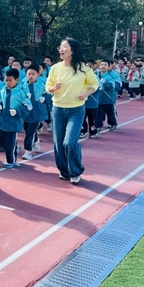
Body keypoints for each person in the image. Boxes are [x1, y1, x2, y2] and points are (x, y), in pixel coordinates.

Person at [45, 37, 99, 184]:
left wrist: (86, 94)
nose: (61, 50)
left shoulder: (84, 68)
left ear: (72, 50)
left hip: (76, 110)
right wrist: (53, 88)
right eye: (60, 47)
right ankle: (64, 171)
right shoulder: (55, 68)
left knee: (69, 142)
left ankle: (75, 171)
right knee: (58, 144)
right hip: (58, 109)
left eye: (65, 47)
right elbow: (47, 87)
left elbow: (94, 84)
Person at [0, 68, 32, 168]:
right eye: (6, 80)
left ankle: (11, 161)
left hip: (14, 122)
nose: (8, 83)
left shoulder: (20, 92)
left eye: (10, 80)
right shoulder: (2, 90)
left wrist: (17, 111)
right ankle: (15, 147)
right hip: (2, 120)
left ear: (17, 80)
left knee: (10, 143)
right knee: (1, 140)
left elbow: (28, 106)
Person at [23, 64, 49, 158]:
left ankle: (27, 151)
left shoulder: (41, 85)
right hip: (26, 112)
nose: (31, 76)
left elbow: (49, 94)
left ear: (38, 74)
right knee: (27, 130)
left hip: (36, 111)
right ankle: (35, 140)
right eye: (29, 74)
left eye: (33, 74)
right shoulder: (23, 85)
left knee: (30, 132)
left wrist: (44, 98)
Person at [95, 60, 118, 131]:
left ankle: (112, 124)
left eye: (105, 65)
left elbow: (111, 85)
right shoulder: (95, 75)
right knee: (98, 113)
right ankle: (98, 126)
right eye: (102, 65)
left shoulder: (110, 76)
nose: (103, 66)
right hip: (99, 98)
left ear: (108, 67)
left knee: (110, 113)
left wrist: (105, 83)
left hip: (108, 98)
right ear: (99, 66)